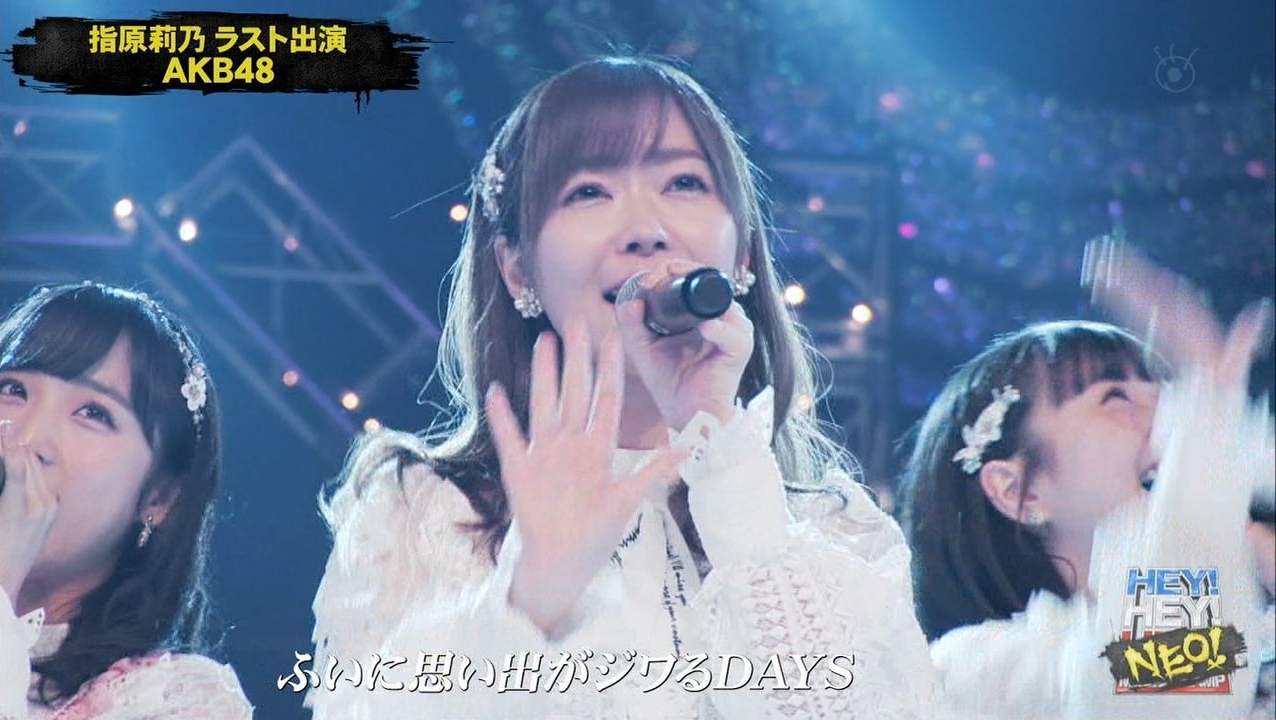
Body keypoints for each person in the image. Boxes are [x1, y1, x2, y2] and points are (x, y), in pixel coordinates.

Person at [308, 55, 939, 718]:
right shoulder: (424, 516)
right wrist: (533, 594)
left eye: (685, 183)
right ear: (517, 270)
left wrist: (724, 460)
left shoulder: (835, 530)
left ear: (743, 255)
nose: (646, 231)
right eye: (589, 191)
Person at [899, 241, 1276, 719]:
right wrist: (1211, 406)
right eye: (1115, 396)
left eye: (1168, 386)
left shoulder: (1252, 616)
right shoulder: (983, 669)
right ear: (1017, 491)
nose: (1171, 409)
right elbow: (1173, 686)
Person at [0, 283, 252, 719]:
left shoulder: (174, 701)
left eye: (93, 413)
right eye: (13, 389)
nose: (28, 438)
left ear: (159, 497)